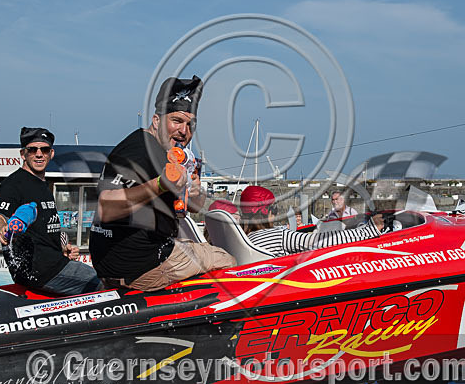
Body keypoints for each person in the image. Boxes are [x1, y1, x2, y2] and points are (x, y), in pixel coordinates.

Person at [91, 76, 235, 291]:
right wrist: (160, 184)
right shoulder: (139, 152)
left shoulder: (168, 153)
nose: (184, 131)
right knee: (228, 261)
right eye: (176, 121)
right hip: (137, 265)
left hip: (131, 258)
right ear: (156, 121)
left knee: (199, 249)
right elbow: (106, 207)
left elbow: (195, 206)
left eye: (190, 125)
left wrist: (193, 185)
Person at [0, 127, 100, 294]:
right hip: (41, 272)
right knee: (104, 283)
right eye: (32, 150)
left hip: (54, 264)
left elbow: (43, 231)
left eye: (45, 149)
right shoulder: (13, 184)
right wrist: (2, 229)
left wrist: (64, 249)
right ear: (23, 154)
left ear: (51, 154)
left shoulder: (42, 185)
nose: (39, 154)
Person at [240, 186, 389, 257]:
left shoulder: (245, 237)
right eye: (274, 209)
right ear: (265, 212)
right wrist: (369, 230)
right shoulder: (276, 236)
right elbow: (320, 241)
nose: (276, 213)